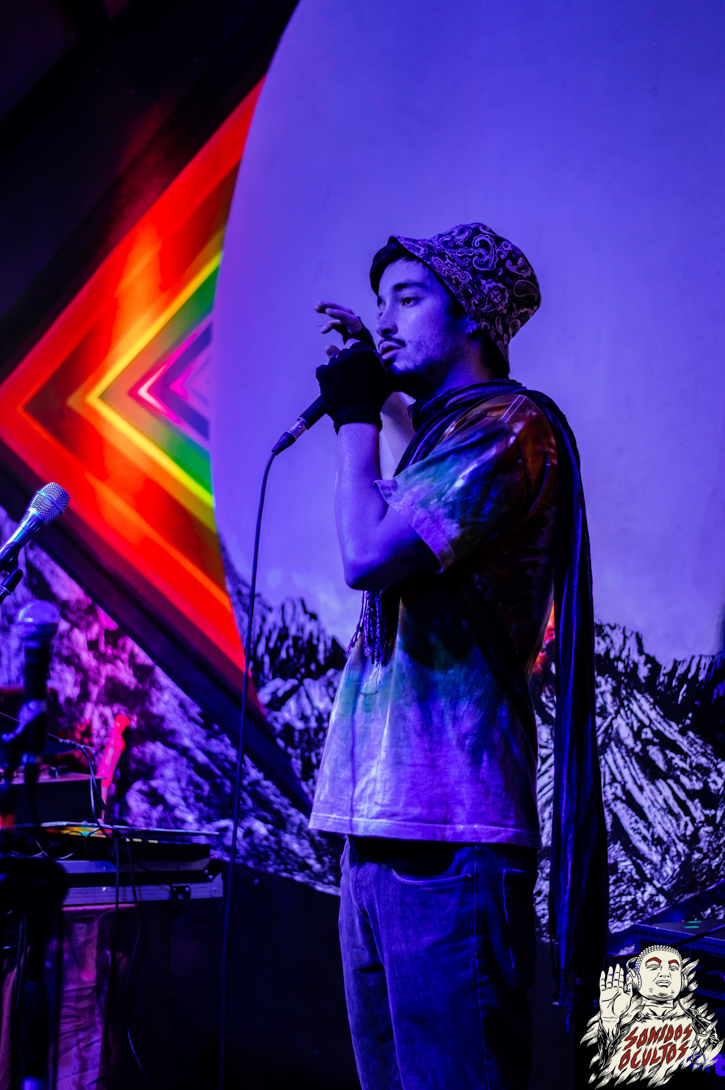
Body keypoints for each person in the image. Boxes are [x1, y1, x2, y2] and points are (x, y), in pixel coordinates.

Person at [308, 223, 608, 1089]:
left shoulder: (509, 426)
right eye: (380, 303)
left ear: (473, 313)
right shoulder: (447, 436)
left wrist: (355, 418)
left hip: (450, 833)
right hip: (381, 828)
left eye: (408, 299)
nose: (384, 320)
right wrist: (381, 401)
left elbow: (367, 552)